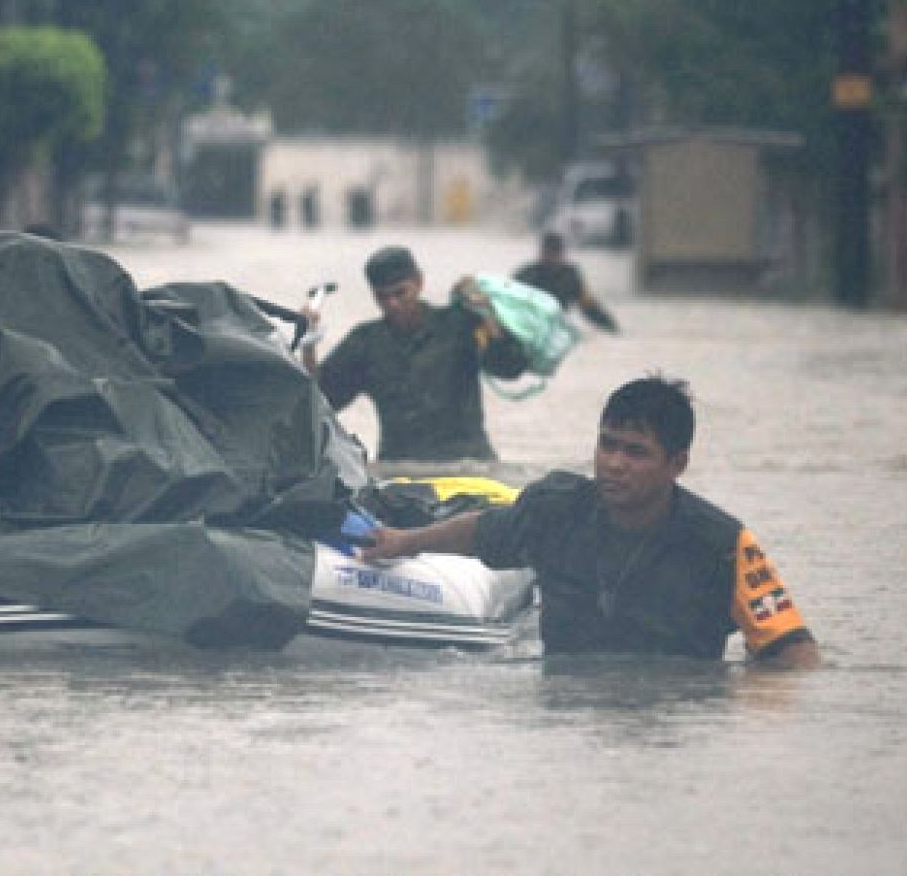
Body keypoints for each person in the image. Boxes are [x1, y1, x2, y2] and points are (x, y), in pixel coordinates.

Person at [355, 376, 821, 667]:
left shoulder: (721, 544)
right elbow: (481, 531)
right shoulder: (555, 509)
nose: (614, 463)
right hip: (569, 723)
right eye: (607, 444)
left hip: (671, 721)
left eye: (635, 452)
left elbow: (793, 651)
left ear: (676, 464)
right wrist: (405, 542)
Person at [301, 245, 527, 462]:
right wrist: (308, 344)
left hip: (469, 465)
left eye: (400, 293)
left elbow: (511, 367)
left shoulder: (460, 325)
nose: (394, 304)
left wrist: (489, 313)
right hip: (400, 470)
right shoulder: (365, 343)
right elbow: (318, 404)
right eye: (383, 297)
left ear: (419, 282)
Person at [514, 231, 620, 333]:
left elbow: (589, 307)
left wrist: (611, 327)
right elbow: (509, 303)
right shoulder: (527, 274)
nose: (551, 257)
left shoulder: (571, 276)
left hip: (557, 326)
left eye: (555, 253)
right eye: (548, 252)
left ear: (562, 254)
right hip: (530, 324)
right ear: (542, 253)